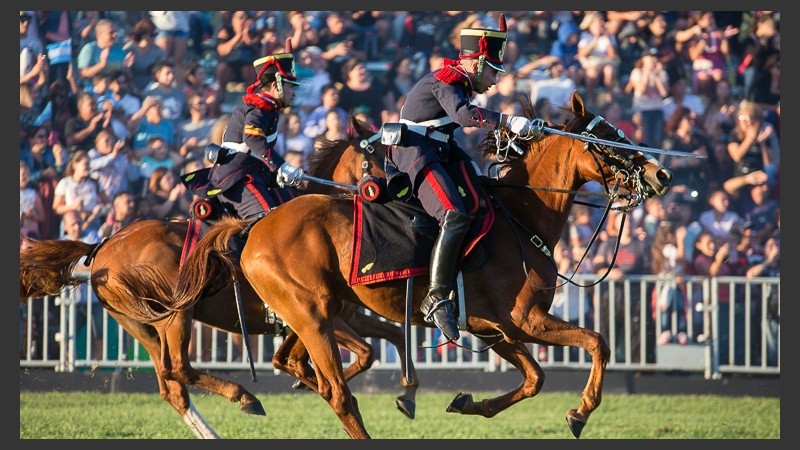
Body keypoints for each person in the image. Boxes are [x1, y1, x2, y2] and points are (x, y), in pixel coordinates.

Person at [387, 14, 534, 341]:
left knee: (482, 192)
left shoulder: (460, 82)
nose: (495, 81)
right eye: (493, 71)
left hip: (441, 150)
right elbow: (464, 116)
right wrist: (508, 121)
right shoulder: (448, 78)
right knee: (454, 213)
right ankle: (437, 296)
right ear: (478, 64)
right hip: (416, 152)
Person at [200, 39, 302, 220]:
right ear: (274, 86)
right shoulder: (261, 108)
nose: (293, 93)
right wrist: (281, 166)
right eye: (289, 87)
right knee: (269, 222)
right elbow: (252, 139)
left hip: (251, 174)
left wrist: (278, 175)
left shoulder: (269, 109)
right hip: (238, 177)